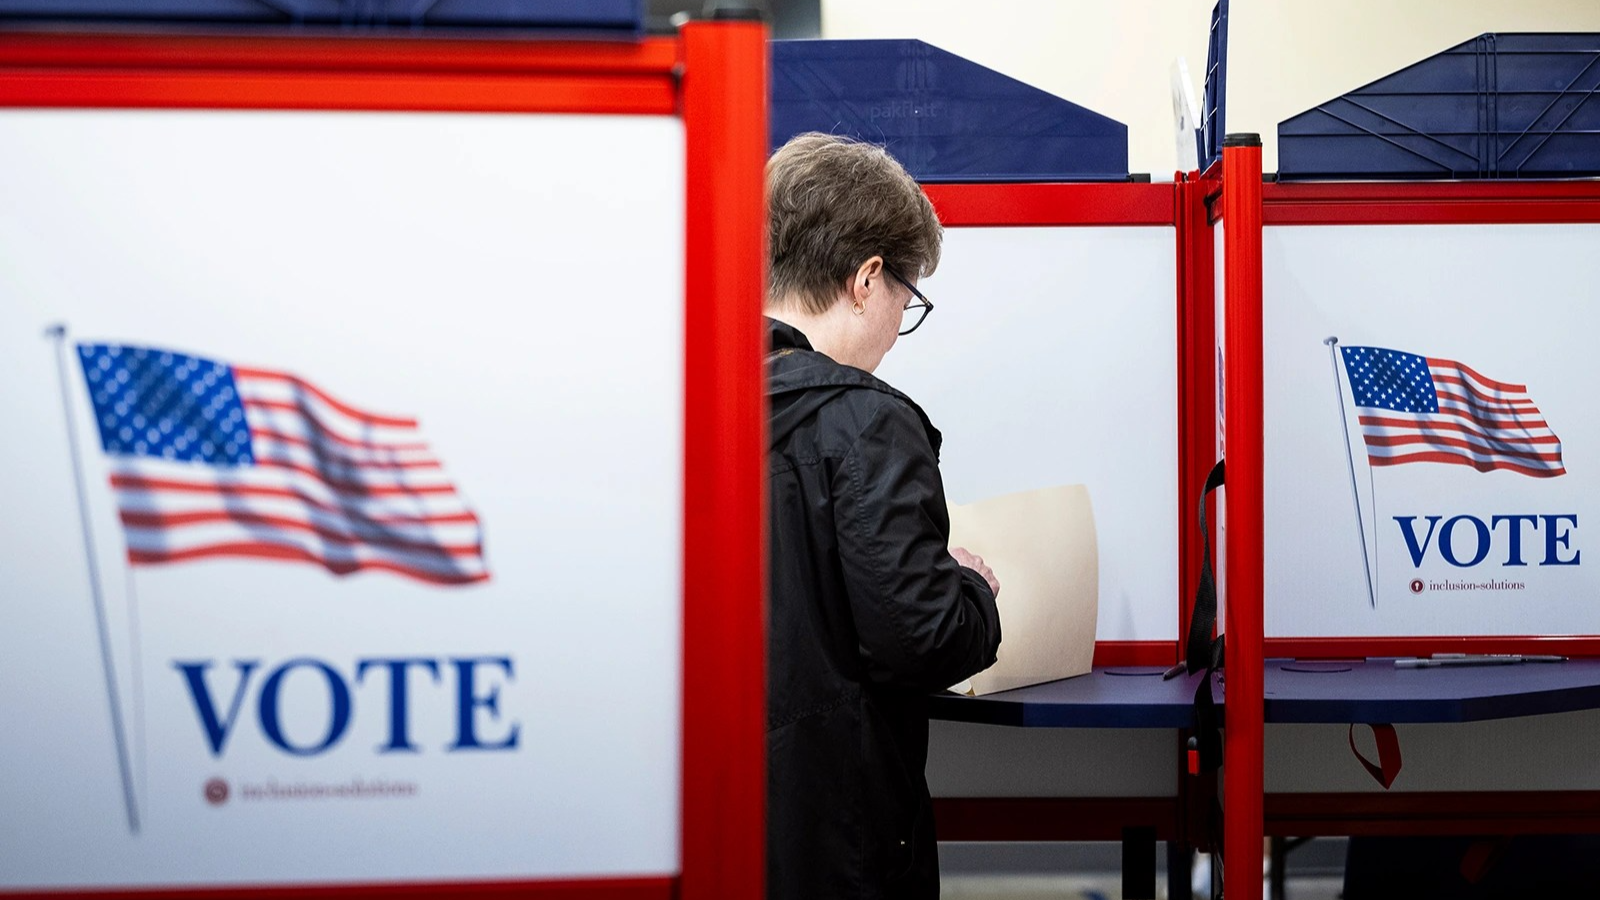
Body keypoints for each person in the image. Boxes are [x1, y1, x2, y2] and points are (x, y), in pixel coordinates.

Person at [764, 131, 1004, 900]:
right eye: (908, 297)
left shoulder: (689, 394)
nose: (900, 324)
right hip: (838, 834)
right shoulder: (865, 421)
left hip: (713, 816)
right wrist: (969, 589)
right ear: (867, 279)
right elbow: (922, 639)